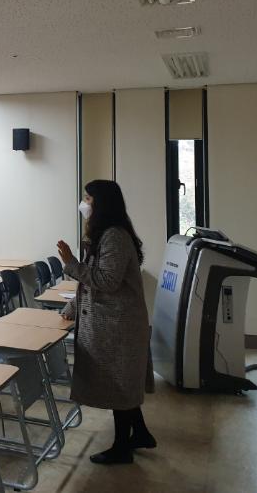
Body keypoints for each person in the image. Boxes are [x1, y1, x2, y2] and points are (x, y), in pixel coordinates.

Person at [57, 179, 156, 465]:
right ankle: (141, 434)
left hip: (118, 328)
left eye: (88, 199)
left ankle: (122, 449)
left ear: (101, 204)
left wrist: (70, 263)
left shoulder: (114, 236)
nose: (84, 204)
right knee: (121, 386)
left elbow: (107, 281)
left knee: (119, 387)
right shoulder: (105, 235)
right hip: (115, 325)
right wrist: (73, 306)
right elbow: (92, 282)